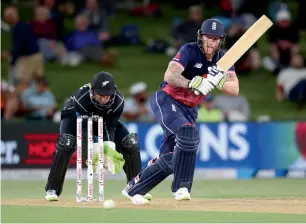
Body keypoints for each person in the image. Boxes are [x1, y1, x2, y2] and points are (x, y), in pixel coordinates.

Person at [121, 18, 239, 204]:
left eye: (215, 39)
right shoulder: (189, 50)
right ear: (201, 36)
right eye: (208, 37)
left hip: (190, 109)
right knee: (188, 133)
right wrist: (192, 82)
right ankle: (182, 188)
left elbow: (234, 89)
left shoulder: (223, 60)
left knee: (171, 158)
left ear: (221, 40)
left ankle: (135, 188)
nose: (211, 42)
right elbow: (170, 74)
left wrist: (217, 80)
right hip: (167, 100)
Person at [45, 71, 151, 201]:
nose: (103, 99)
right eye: (100, 96)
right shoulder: (82, 98)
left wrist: (108, 151)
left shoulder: (118, 101)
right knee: (67, 143)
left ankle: (136, 188)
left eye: (107, 96)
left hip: (104, 121)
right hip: (74, 118)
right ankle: (52, 189)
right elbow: (83, 132)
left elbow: (110, 128)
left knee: (130, 143)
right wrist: (92, 156)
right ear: (93, 91)